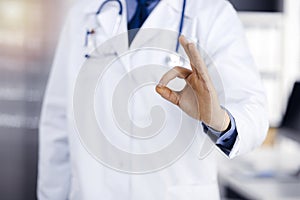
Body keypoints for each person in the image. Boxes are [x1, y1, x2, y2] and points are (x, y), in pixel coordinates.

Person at [37, 0, 269, 199]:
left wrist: (218, 119)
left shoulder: (211, 13)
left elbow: (254, 111)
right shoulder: (85, 13)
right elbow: (57, 124)